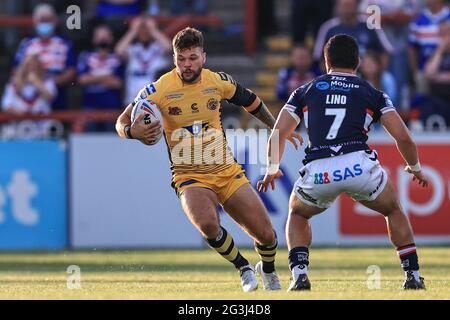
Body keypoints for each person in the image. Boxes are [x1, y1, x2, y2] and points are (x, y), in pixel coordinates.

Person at [116, 27, 302, 292]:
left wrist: (276, 127)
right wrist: (131, 131)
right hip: (188, 174)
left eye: (192, 58)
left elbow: (250, 101)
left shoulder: (217, 81)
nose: (187, 64)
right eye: (181, 59)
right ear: (173, 59)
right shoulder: (158, 89)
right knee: (207, 225)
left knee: (267, 235)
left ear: (203, 56)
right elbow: (122, 121)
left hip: (226, 171)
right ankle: (243, 267)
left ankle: (268, 270)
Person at [258, 34, 428, 291]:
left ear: (326, 61)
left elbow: (278, 135)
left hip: (319, 171)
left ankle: (300, 274)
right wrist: (414, 167)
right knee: (393, 209)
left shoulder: (306, 90)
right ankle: (412, 275)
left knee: (298, 213)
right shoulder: (372, 93)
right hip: (358, 166)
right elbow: (403, 137)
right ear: (358, 62)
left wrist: (272, 169)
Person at [13, 3, 76, 110]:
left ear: (55, 21)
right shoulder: (26, 44)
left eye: (49, 20)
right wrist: (34, 83)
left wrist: (50, 84)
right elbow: (16, 70)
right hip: (30, 93)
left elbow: (71, 71)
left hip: (58, 93)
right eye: (42, 20)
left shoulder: (65, 43)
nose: (45, 23)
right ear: (35, 22)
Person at [313, 0, 393, 69]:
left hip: (369, 74)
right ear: (337, 8)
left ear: (356, 6)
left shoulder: (370, 23)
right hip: (339, 73)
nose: (347, 10)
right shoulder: (328, 28)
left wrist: (379, 72)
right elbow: (318, 57)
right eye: (344, 5)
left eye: (350, 5)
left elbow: (386, 51)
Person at [115, 14, 171, 104]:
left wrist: (153, 29)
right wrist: (133, 30)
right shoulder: (133, 49)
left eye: (146, 29)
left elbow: (169, 47)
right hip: (133, 101)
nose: (144, 32)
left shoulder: (159, 48)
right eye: (141, 29)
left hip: (156, 101)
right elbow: (119, 51)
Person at [78, 25, 124, 132]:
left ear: (111, 38)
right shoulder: (86, 56)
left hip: (111, 106)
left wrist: (93, 78)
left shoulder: (117, 58)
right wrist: (106, 78)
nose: (103, 38)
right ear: (94, 39)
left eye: (106, 35)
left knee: (112, 141)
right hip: (90, 105)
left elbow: (117, 83)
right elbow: (82, 79)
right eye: (100, 35)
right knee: (90, 139)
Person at [1, 54, 57, 139]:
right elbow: (6, 104)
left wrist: (36, 82)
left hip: (41, 127)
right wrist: (21, 113)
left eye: (34, 66)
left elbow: (51, 97)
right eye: (29, 66)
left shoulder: (47, 81)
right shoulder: (14, 83)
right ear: (24, 67)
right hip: (19, 125)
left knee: (53, 128)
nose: (31, 69)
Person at [422, 20, 450, 129]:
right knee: (429, 106)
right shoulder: (436, 52)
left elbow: (434, 76)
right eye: (441, 34)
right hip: (437, 96)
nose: (444, 37)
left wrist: (438, 76)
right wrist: (440, 50)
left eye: (446, 33)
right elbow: (429, 74)